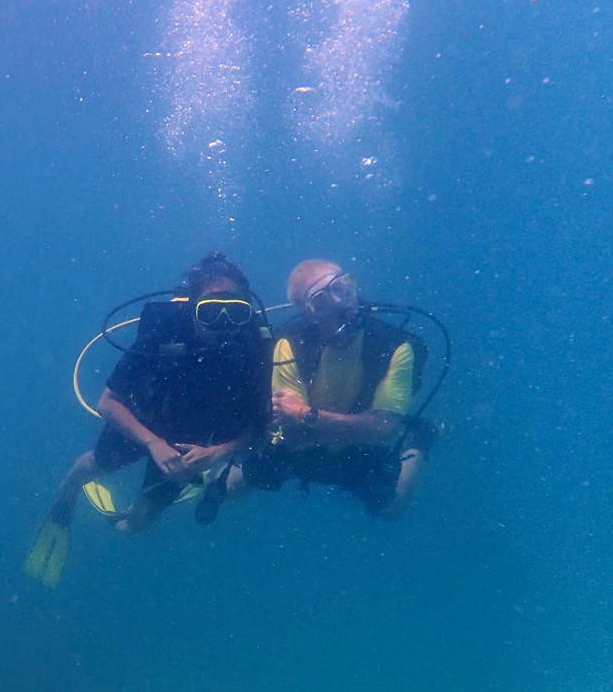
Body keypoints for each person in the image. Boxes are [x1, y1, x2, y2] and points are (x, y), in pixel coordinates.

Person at [24, 252, 272, 588]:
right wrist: (152, 442)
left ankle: (114, 517)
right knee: (90, 468)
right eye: (211, 310)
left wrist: (218, 453)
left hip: (193, 444)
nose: (224, 324)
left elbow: (259, 431)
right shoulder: (163, 328)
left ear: (248, 310)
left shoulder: (255, 345)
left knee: (135, 527)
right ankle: (65, 500)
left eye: (237, 311)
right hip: (144, 419)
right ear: (191, 306)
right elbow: (108, 402)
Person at [239, 259, 434, 516]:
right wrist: (358, 427)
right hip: (328, 443)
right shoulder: (289, 343)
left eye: (341, 288)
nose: (339, 302)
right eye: (321, 299)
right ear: (307, 312)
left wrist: (306, 416)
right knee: (233, 484)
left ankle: (420, 440)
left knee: (391, 509)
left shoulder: (395, 345)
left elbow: (384, 430)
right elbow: (294, 437)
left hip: (359, 452)